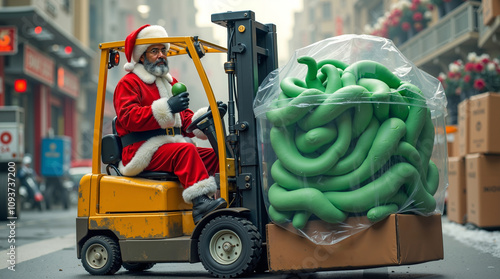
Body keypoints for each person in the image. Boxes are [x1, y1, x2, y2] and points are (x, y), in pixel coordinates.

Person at [113, 24, 226, 223]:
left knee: (217, 155)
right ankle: (200, 204)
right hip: (141, 149)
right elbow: (128, 117)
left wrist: (210, 116)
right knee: (186, 151)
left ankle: (221, 196)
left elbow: (186, 121)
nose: (161, 55)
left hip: (167, 147)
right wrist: (167, 107)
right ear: (141, 56)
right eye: (154, 51)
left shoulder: (169, 83)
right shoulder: (129, 83)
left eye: (163, 50)